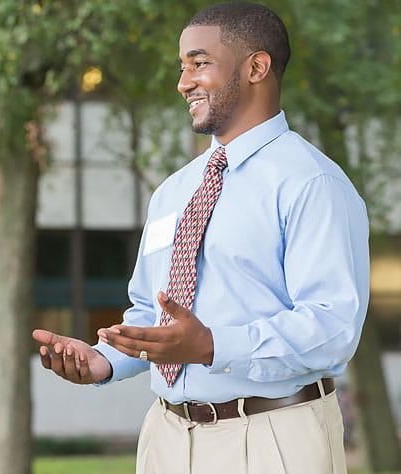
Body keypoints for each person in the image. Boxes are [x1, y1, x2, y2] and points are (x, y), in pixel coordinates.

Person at [33, 2, 369, 473]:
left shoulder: (312, 183)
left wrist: (213, 345)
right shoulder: (174, 191)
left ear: (257, 66)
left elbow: (333, 328)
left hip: (274, 436)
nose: (183, 82)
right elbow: (153, 313)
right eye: (182, 66)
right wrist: (103, 361)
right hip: (167, 438)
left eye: (199, 63)